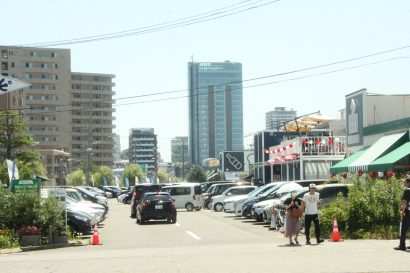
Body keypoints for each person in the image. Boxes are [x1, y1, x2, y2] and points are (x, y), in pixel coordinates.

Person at [394, 178, 410, 251]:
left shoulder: (407, 190)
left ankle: (402, 246)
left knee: (403, 229)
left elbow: (404, 202)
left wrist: (402, 211)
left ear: (407, 182)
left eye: (404, 182)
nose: (403, 183)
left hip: (408, 212)